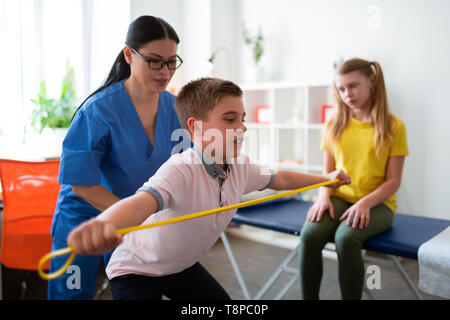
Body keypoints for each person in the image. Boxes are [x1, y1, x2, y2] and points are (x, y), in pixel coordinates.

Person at [66, 77, 351, 300]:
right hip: (136, 269)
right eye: (230, 119)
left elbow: (281, 179)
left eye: (243, 118)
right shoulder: (181, 169)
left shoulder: (241, 167)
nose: (242, 127)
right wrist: (103, 225)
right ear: (197, 127)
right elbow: (141, 204)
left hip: (180, 266)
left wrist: (327, 179)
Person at [48, 15, 186, 300]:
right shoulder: (97, 110)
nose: (165, 71)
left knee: (135, 290)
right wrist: (137, 216)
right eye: (154, 61)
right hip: (83, 217)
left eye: (172, 61)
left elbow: (184, 166)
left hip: (135, 218)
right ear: (129, 55)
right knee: (72, 295)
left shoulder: (176, 109)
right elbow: (82, 185)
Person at [298, 58, 409, 300]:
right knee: (309, 235)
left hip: (378, 204)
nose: (347, 93)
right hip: (339, 197)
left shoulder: (394, 127)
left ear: (372, 81)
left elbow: (393, 181)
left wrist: (365, 204)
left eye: (353, 86)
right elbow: (327, 173)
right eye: (341, 88)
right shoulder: (334, 124)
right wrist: (323, 196)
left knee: (346, 239)